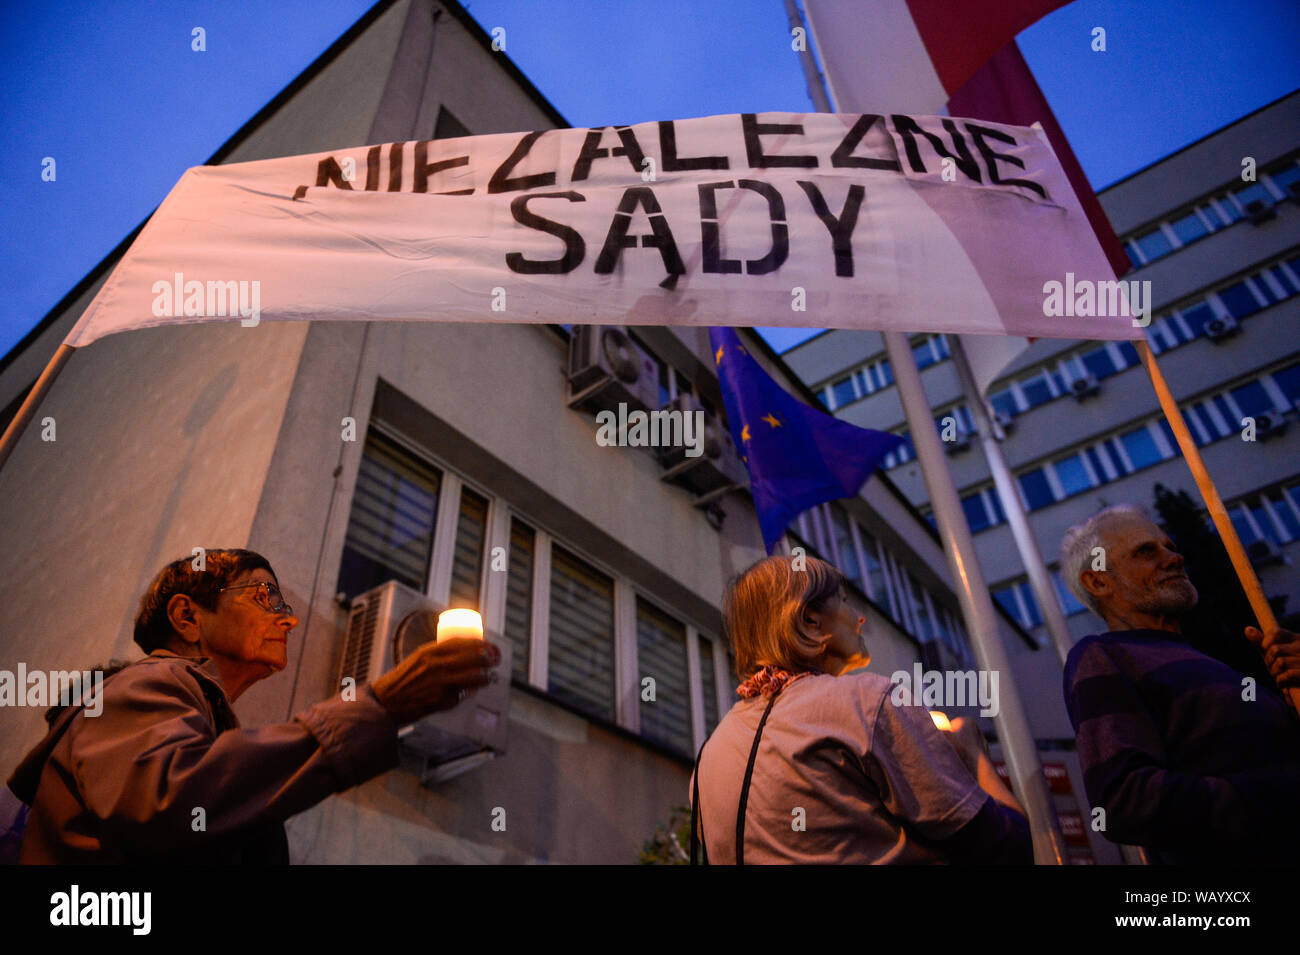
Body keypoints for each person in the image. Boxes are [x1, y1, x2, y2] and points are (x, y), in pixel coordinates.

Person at [9, 548, 500, 864]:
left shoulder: (195, 717)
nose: (287, 621)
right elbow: (171, 805)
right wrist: (380, 705)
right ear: (186, 615)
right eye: (265, 597)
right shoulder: (149, 683)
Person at [691, 554, 1031, 864]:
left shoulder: (708, 756)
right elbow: (1007, 847)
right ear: (810, 622)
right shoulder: (867, 701)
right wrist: (973, 756)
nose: (861, 617)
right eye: (844, 601)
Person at [1059, 505, 1300, 864]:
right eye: (1145, 552)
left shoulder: (1217, 663)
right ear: (1098, 580)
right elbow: (1126, 800)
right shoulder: (1104, 656)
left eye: (1169, 546)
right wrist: (1283, 795)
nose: (1174, 558)